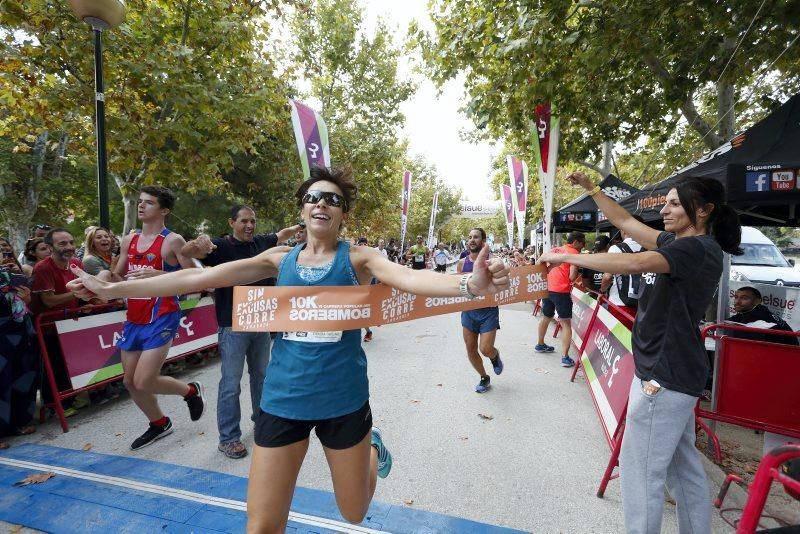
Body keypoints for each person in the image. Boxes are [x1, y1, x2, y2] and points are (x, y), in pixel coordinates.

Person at [68, 165, 510, 531]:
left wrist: (468, 283)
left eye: (333, 200)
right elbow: (198, 278)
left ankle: (371, 449)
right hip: (282, 403)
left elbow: (411, 278)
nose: (322, 203)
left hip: (343, 401)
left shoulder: (359, 258)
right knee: (261, 527)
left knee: (353, 512)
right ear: (303, 209)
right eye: (314, 197)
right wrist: (114, 291)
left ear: (342, 216)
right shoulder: (278, 260)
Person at [540, 171, 742, 534]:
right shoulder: (677, 242)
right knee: (683, 469)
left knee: (640, 471)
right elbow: (625, 222)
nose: (665, 209)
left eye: (675, 203)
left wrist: (567, 258)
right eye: (666, 201)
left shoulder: (695, 249)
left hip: (664, 376)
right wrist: (594, 190)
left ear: (705, 211)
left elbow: (633, 262)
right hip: (670, 372)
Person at [182, 205, 302, 459]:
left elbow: (281, 234)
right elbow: (186, 252)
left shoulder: (261, 243)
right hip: (232, 327)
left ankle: (263, 422)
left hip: (260, 326)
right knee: (230, 385)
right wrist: (197, 243)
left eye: (253, 221)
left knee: (262, 378)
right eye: (244, 221)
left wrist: (300, 227)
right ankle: (228, 438)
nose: (249, 226)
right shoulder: (219, 247)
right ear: (231, 223)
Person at [104, 185, 204, 451]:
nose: (141, 206)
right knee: (129, 382)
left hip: (163, 315)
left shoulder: (173, 240)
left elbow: (195, 280)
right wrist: (96, 281)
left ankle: (190, 392)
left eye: (148, 202)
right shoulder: (129, 240)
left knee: (144, 380)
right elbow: (117, 277)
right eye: (140, 201)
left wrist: (158, 277)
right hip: (134, 317)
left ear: (164, 210)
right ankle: (159, 423)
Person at [457, 228, 504, 393]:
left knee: (485, 349)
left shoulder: (492, 262)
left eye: (475, 237)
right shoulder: (462, 263)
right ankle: (484, 377)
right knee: (470, 348)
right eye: (469, 237)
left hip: (488, 312)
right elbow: (458, 288)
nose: (471, 240)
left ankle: (494, 356)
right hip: (468, 311)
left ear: (483, 241)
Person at [0, 267, 38, 448]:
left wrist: (26, 299)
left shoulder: (9, 275)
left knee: (21, 376)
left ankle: (18, 423)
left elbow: (25, 304)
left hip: (19, 332)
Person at [535, 231, 585, 367]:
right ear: (575, 242)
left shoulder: (555, 250)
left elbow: (542, 264)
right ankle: (565, 357)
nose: (583, 246)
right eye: (582, 242)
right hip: (561, 291)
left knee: (546, 316)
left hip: (548, 288)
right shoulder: (573, 253)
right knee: (565, 324)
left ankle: (540, 344)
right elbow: (572, 276)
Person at [727, 286, 798, 346]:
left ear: (757, 301)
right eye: (736, 297)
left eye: (744, 298)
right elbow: (731, 320)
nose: (737, 302)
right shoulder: (752, 310)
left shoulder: (759, 316)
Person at [600, 223, 645, 318]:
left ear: (624, 230)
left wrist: (603, 291)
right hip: (643, 304)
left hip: (619, 302)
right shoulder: (650, 248)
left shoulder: (615, 248)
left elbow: (607, 276)